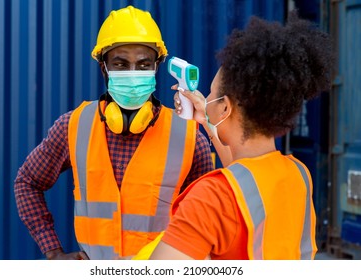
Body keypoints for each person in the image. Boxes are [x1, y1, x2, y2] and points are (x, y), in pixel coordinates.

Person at [13, 5, 214, 260]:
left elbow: (210, 216)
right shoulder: (73, 126)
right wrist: (53, 253)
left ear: (156, 67)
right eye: (120, 64)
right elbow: (27, 182)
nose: (133, 73)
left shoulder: (189, 136)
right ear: (103, 68)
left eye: (143, 64)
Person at [135, 12, 334, 260]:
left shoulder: (211, 197)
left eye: (210, 94)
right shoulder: (298, 174)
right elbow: (245, 177)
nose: (206, 100)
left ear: (226, 108)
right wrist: (206, 119)